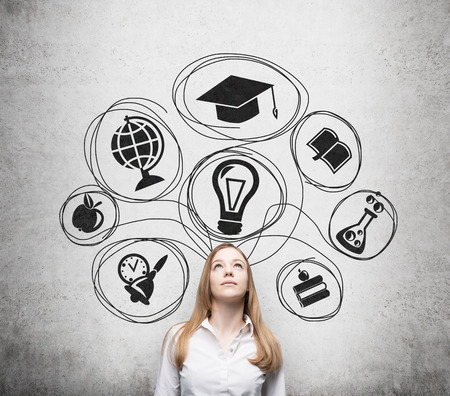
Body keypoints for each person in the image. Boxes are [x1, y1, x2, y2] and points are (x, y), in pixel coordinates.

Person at [154, 243, 286, 395]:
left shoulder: (268, 344)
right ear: (207, 282)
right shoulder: (178, 337)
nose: (229, 271)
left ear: (249, 283)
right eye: (218, 266)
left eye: (238, 265)